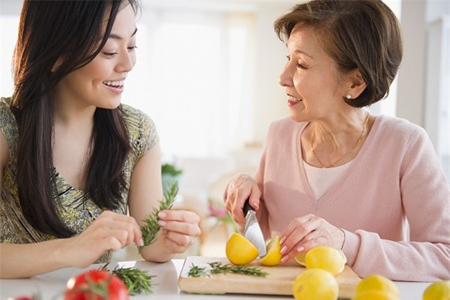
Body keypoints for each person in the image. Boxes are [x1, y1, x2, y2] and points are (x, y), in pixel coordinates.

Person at [224, 0, 450, 281]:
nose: (283, 78)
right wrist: (246, 191)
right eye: (288, 60)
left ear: (355, 83)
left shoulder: (406, 144)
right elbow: (263, 243)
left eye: (302, 65)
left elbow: (445, 256)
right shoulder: (279, 134)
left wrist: (346, 244)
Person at [0, 0, 201, 279]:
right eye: (110, 51)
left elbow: (151, 244)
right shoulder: (6, 126)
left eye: (131, 46)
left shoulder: (138, 132)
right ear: (56, 52)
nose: (128, 64)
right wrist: (68, 250)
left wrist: (169, 240)